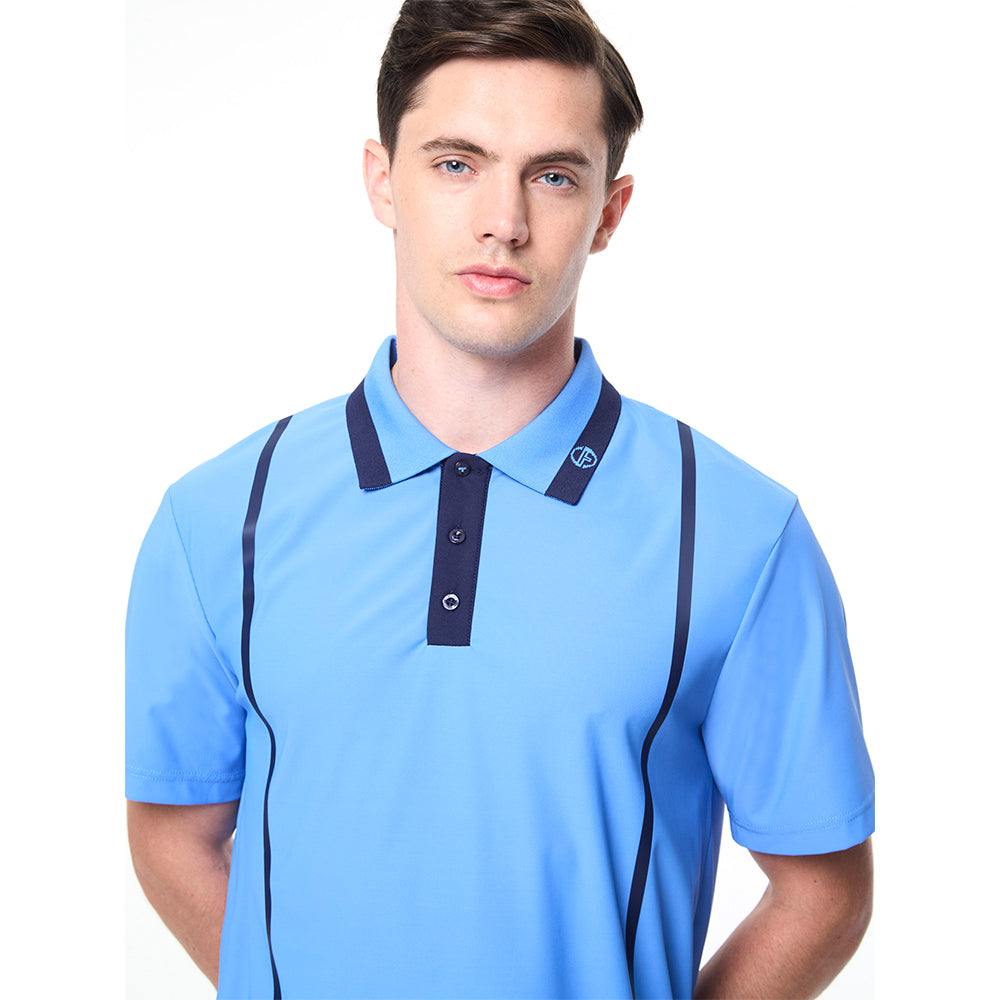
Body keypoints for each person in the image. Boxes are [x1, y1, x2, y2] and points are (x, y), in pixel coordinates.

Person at [126, 1, 875, 997]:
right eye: (456, 162)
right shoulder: (218, 519)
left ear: (609, 211)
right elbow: (172, 830)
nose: (503, 221)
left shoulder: (739, 534)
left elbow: (822, 890)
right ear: (381, 180)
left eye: (553, 175)